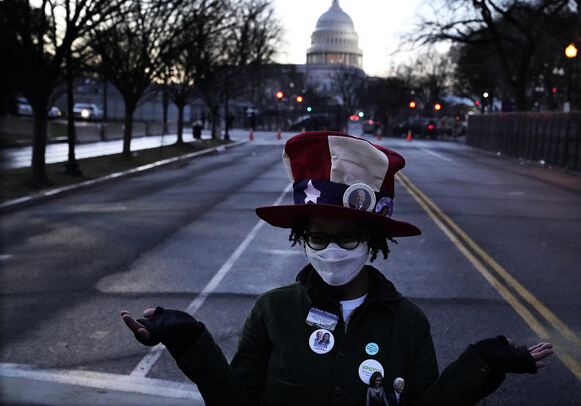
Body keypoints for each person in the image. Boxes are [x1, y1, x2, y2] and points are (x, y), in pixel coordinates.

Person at [121, 131, 553, 405]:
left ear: (373, 240)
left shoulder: (408, 323)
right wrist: (189, 341)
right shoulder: (272, 312)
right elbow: (237, 400)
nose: (332, 250)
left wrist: (480, 364)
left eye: (348, 236)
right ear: (300, 238)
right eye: (317, 237)